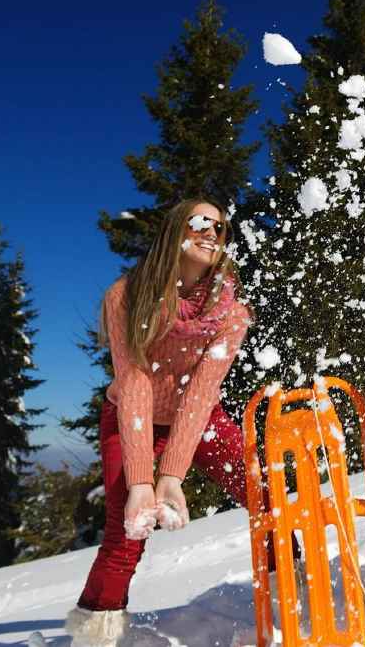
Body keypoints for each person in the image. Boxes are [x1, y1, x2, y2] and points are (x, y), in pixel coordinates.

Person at [65, 199, 251, 646]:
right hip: (132, 416)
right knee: (127, 525)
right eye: (200, 222)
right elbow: (134, 383)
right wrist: (143, 481)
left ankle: (287, 578)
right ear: (175, 230)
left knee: (260, 486)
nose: (211, 233)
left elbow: (202, 394)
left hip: (198, 416)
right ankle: (97, 631)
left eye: (220, 228)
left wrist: (171, 474)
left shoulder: (231, 313)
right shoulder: (127, 296)